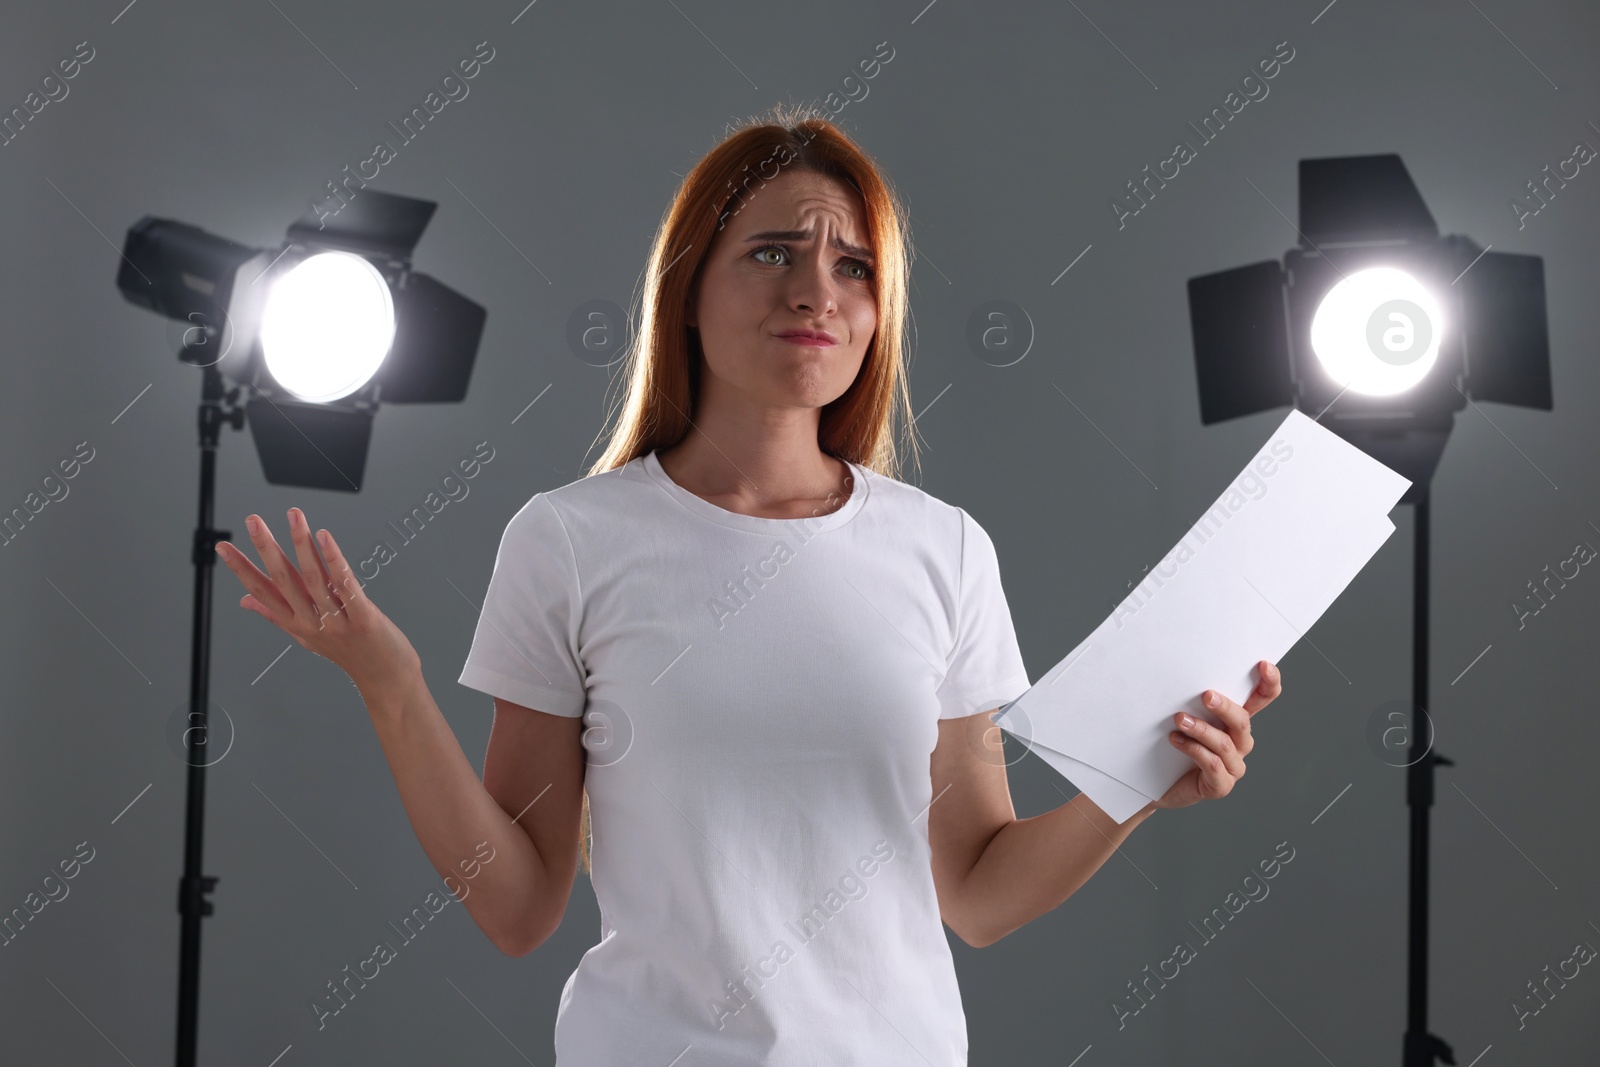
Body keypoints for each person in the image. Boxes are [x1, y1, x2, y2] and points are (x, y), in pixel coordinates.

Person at [214, 102, 1283, 1066]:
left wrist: (1140, 779)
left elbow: (979, 892)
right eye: (773, 251)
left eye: (854, 265)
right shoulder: (572, 540)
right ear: (688, 288)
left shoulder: (944, 549)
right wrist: (390, 683)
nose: (817, 289)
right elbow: (519, 904)